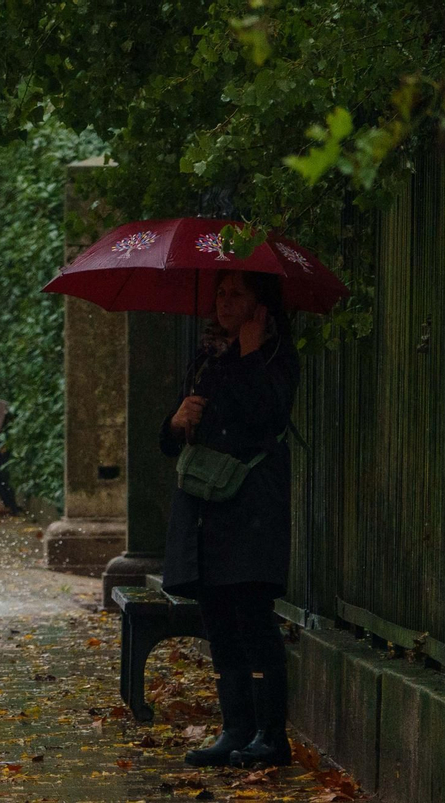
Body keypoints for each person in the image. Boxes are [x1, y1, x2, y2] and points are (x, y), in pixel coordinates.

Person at [160, 270, 300, 769]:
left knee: (252, 618)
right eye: (220, 292)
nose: (224, 301)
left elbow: (267, 414)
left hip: (251, 505)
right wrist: (175, 422)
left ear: (260, 304)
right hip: (205, 508)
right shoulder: (207, 356)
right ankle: (235, 729)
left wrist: (250, 351)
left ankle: (271, 735)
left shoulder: (275, 353)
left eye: (236, 293)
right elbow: (174, 438)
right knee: (218, 620)